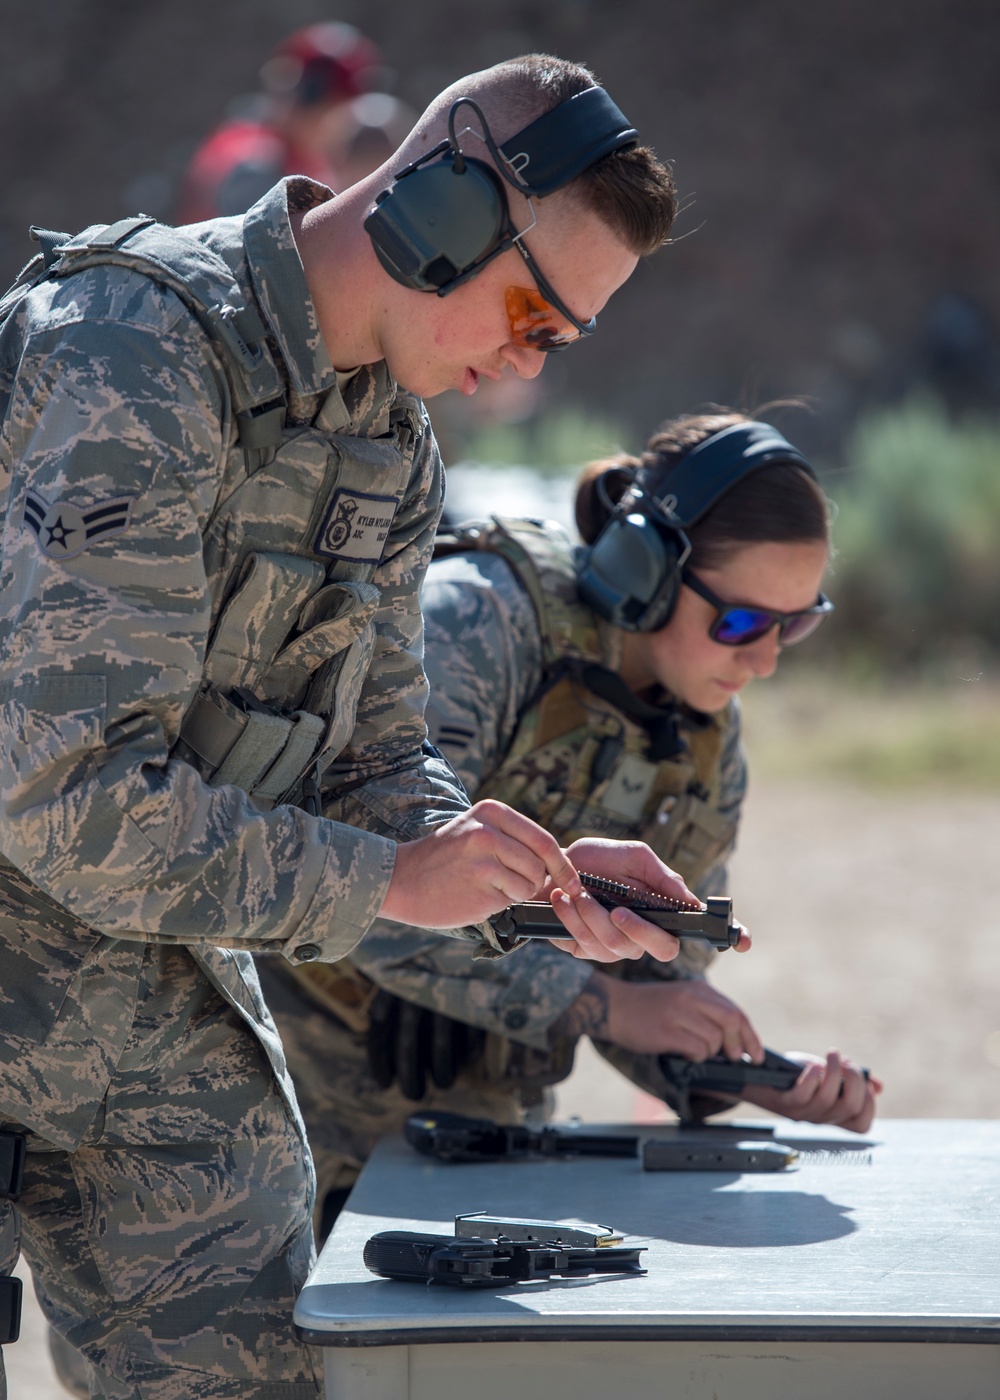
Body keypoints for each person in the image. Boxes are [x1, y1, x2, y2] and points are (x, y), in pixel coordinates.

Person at [0, 55, 684, 1399]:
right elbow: (68, 796)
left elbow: (372, 759)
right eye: (533, 313)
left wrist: (524, 884)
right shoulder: (130, 349)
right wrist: (386, 880)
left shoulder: (389, 434)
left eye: (563, 342)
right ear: (442, 211)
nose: (523, 365)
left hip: (149, 1029)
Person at [257, 411, 882, 1232]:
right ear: (646, 567)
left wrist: (754, 1075)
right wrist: (603, 1003)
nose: (765, 659)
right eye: (741, 623)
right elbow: (363, 876)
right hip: (288, 1114)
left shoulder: (704, 739)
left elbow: (652, 993)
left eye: (795, 625)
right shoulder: (474, 626)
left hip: (476, 1138)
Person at [176, 22, 384, 222]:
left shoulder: (308, 157)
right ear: (309, 97)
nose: (345, 122)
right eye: (337, 108)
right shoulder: (257, 158)